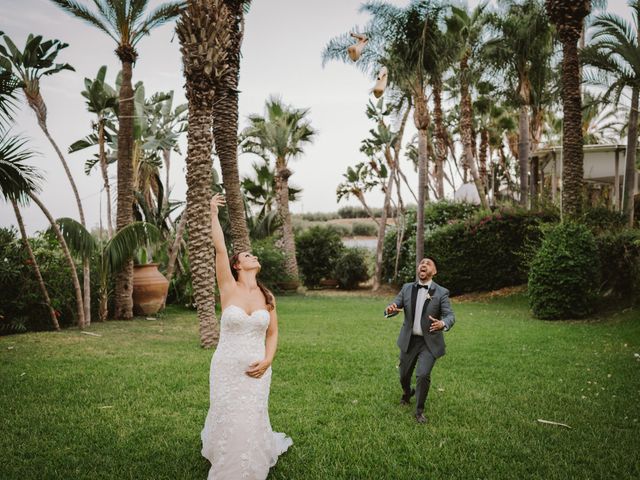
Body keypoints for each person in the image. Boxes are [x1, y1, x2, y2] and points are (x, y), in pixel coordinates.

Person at [201, 193, 292, 480]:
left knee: (251, 416)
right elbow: (218, 249)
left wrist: (268, 361)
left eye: (254, 255)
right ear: (237, 265)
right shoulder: (228, 287)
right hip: (227, 366)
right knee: (229, 414)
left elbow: (273, 332)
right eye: (247, 255)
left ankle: (250, 463)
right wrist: (214, 213)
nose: (254, 256)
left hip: (257, 368)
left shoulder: (268, 296)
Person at [384, 257, 455, 424]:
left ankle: (419, 411)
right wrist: (390, 309)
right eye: (421, 262)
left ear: (434, 271)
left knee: (423, 375)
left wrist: (443, 323)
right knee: (404, 375)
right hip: (409, 340)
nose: (423, 264)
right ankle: (407, 392)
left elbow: (450, 315)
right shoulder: (407, 288)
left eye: (428, 263)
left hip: (429, 343)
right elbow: (395, 306)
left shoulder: (441, 292)